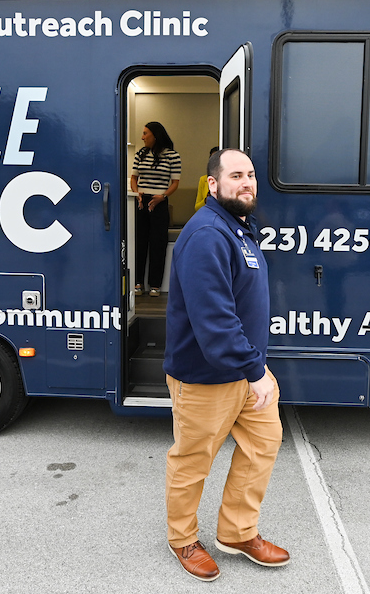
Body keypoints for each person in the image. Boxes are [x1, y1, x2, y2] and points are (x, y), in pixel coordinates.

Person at [164, 148, 288, 582]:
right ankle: (182, 539)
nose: (247, 182)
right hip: (206, 377)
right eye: (236, 175)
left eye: (250, 174)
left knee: (263, 444)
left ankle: (237, 532)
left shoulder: (237, 229)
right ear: (213, 184)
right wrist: (254, 371)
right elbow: (214, 320)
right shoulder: (207, 235)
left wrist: (253, 369)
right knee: (193, 460)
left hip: (245, 370)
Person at [130, 121, 181, 296]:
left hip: (160, 201)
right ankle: (137, 283)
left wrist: (163, 196)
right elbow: (134, 178)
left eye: (145, 133)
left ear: (155, 135)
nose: (142, 137)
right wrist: (137, 193)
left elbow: (175, 183)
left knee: (158, 244)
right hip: (141, 201)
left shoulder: (172, 156)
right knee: (139, 242)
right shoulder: (140, 154)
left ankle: (155, 285)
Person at [195, 146, 219, 212]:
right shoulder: (204, 179)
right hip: (208, 213)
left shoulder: (227, 179)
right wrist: (206, 200)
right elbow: (197, 208)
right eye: (212, 159)